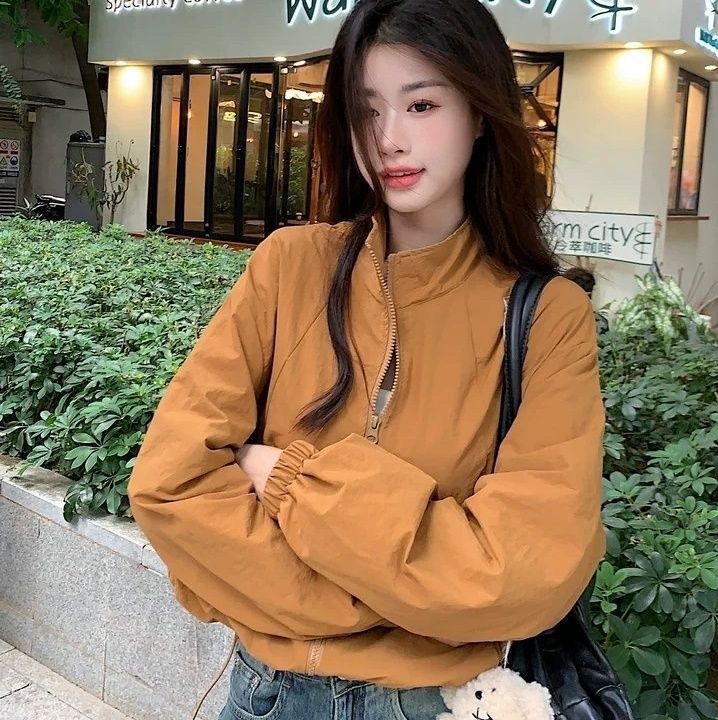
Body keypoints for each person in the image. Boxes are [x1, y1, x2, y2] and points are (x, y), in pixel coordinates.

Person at [127, 1, 607, 718]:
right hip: (267, 695)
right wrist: (407, 600)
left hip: (429, 704)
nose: (389, 139)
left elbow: (524, 573)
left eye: (421, 105)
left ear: (480, 114)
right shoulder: (290, 267)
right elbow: (170, 485)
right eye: (367, 110)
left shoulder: (547, 318)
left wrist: (288, 482)